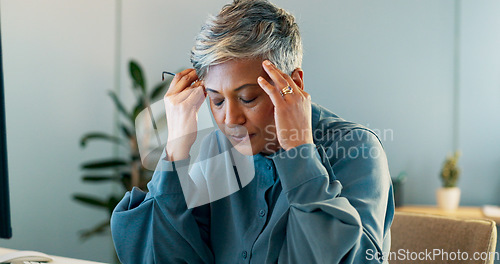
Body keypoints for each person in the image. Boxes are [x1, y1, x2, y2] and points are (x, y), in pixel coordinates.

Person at [110, 0, 394, 263]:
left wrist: (299, 152)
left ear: (293, 83)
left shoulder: (357, 149)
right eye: (216, 100)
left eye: (247, 98)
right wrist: (176, 150)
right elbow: (165, 256)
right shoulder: (217, 149)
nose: (231, 119)